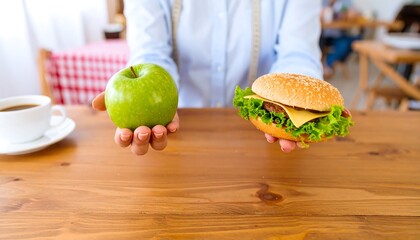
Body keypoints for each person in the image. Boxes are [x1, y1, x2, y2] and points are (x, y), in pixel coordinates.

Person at [92, 0, 324, 155]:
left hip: (265, 144)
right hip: (179, 137)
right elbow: (151, 53)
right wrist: (147, 103)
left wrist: (296, 108)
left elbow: (298, 53)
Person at [320, 0, 361, 79]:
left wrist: (351, 14)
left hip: (338, 35)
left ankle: (327, 64)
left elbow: (355, 13)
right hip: (322, 34)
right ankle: (320, 65)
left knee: (350, 42)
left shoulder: (345, 2)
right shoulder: (320, 2)